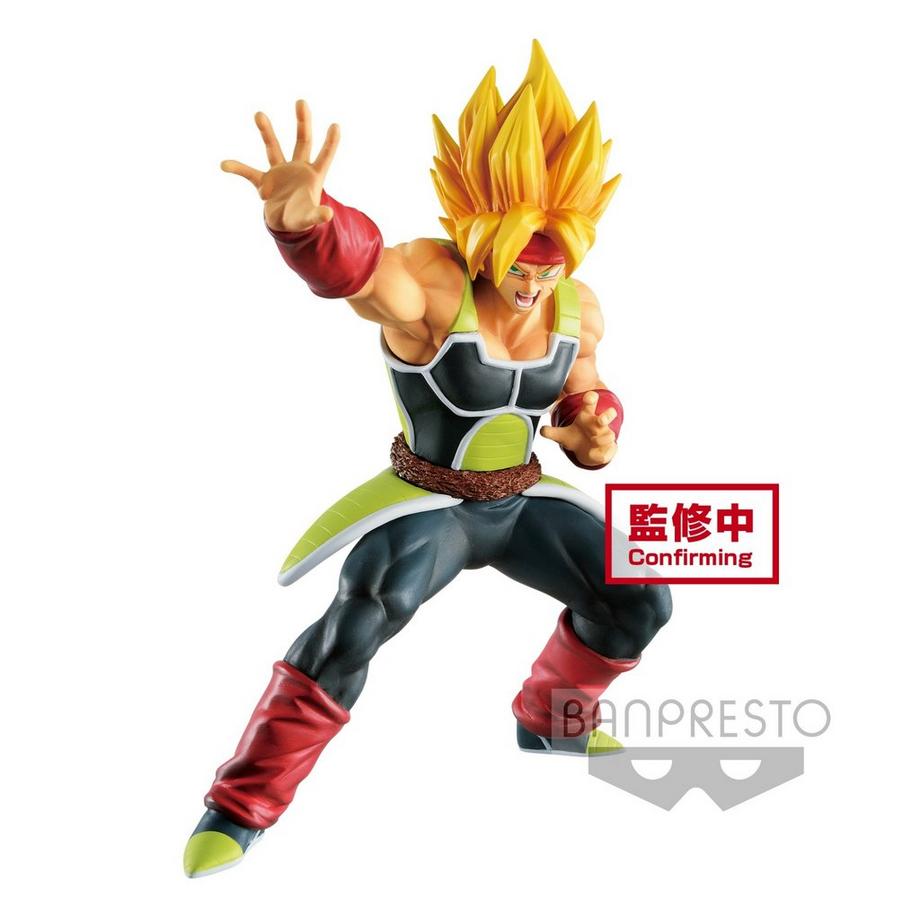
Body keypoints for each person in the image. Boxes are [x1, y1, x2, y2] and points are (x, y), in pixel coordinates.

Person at [184, 40, 672, 878]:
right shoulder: (435, 284)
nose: (532, 282)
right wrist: (306, 224)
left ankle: (551, 720)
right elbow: (362, 275)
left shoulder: (577, 307)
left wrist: (597, 431)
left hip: (521, 504)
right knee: (357, 624)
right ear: (483, 235)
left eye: (549, 264)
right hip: (430, 507)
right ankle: (240, 806)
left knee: (638, 600)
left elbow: (585, 394)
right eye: (518, 263)